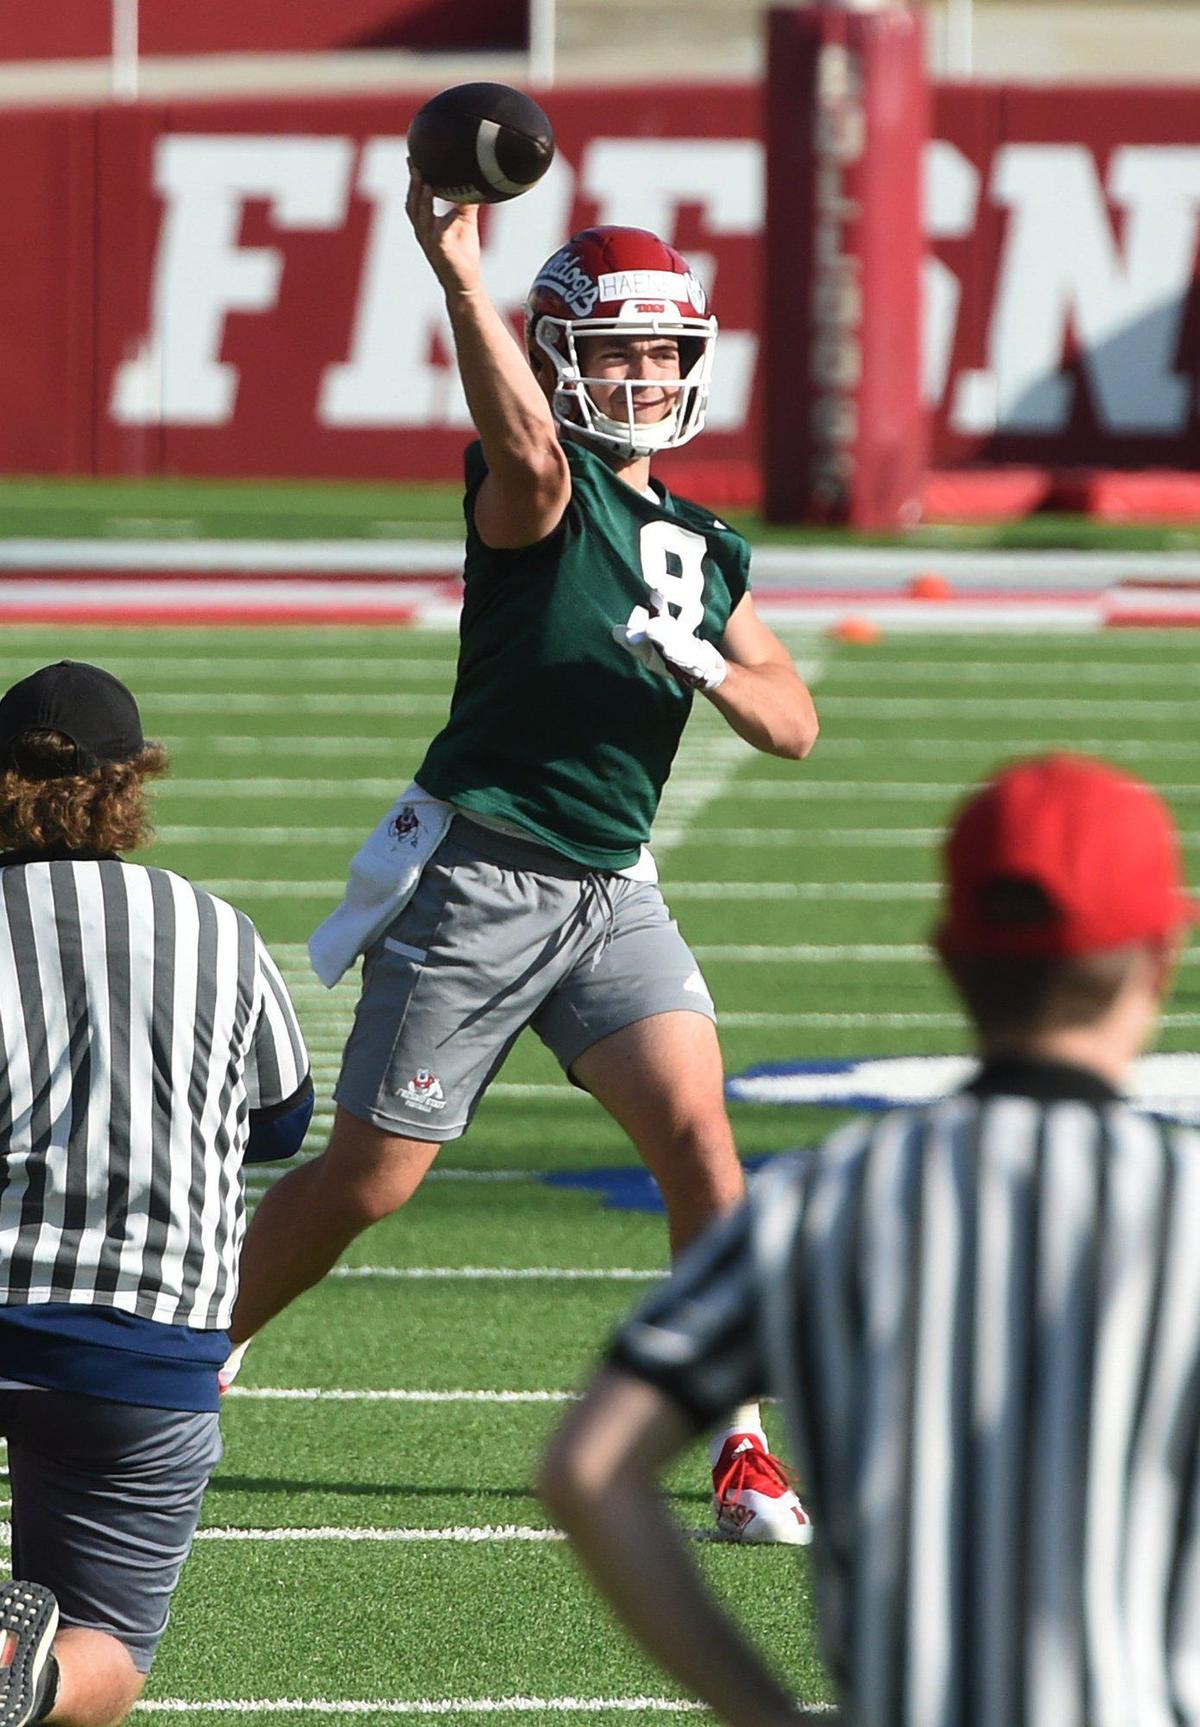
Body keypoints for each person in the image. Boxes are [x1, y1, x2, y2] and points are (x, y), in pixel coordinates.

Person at [226, 175, 819, 1542]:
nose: (645, 370)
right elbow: (533, 455)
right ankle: (198, 1344)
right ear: (560, 355)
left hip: (612, 892)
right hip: (484, 874)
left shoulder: (708, 546)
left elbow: (793, 719)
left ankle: (741, 1445)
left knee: (702, 1148)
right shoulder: (535, 490)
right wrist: (456, 270)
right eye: (615, 347)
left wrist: (717, 675)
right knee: (371, 1179)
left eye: (664, 348)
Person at [539, 752, 1200, 1727]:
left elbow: (588, 1468)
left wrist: (764, 1711)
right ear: (1159, 956)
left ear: (947, 952)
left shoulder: (829, 1198)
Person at [0, 661, 313, 1727]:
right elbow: (280, 1118)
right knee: (110, 1653)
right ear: (133, 783)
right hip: (145, 1341)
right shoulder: (216, 927)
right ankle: (25, 1675)